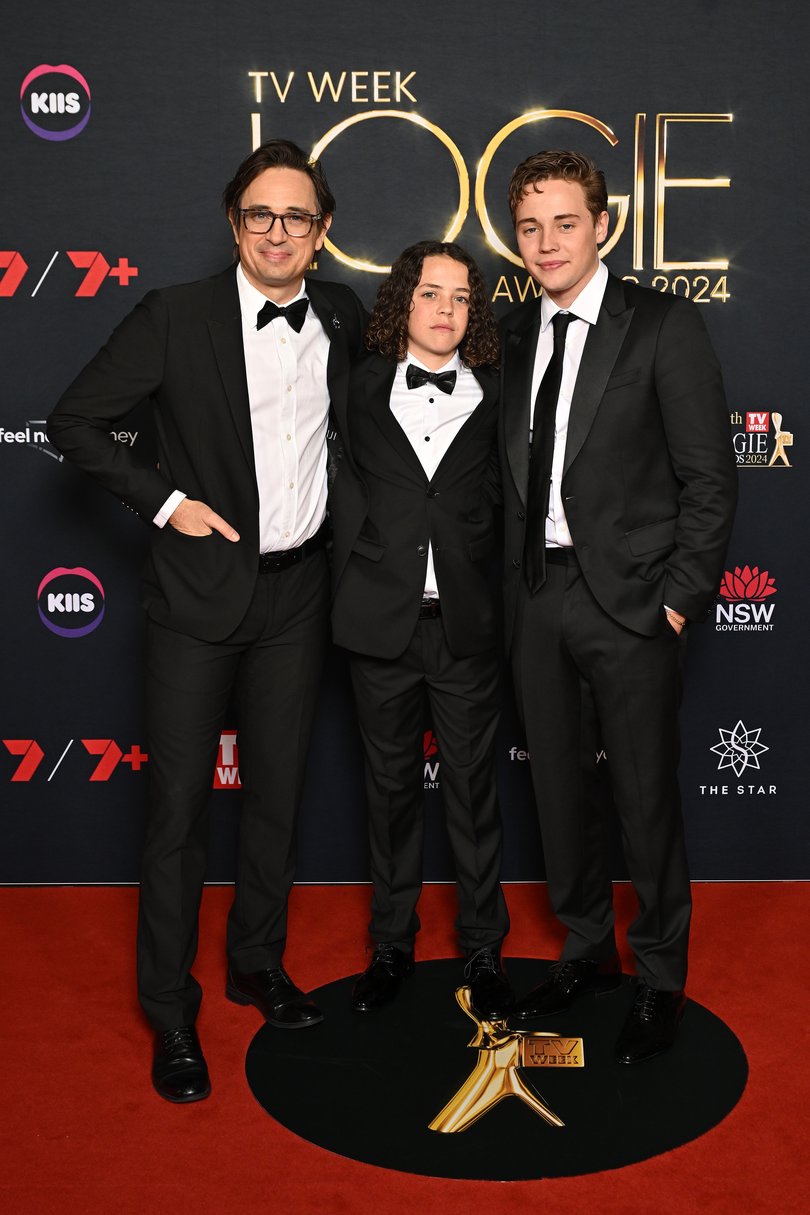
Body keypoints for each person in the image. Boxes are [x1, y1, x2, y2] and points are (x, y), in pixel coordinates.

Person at [48, 139, 366, 1102]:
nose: (279, 232)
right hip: (196, 596)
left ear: (322, 234)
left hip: (300, 595)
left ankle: (256, 964)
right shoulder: (173, 316)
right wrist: (164, 503)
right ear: (235, 224)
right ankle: (172, 1012)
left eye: (298, 218)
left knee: (276, 796)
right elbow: (75, 422)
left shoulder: (344, 317)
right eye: (261, 215)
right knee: (180, 814)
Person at [499, 151, 737, 1062]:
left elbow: (709, 482)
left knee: (644, 799)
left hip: (635, 605)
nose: (547, 242)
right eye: (529, 227)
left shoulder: (662, 326)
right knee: (559, 793)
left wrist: (677, 603)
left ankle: (660, 975)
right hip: (539, 596)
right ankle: (586, 946)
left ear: (603, 225)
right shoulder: (516, 332)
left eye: (564, 223)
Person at [330, 241, 513, 1019]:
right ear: (403, 302)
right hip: (381, 624)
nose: (446, 310)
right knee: (391, 790)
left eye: (462, 297)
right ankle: (392, 943)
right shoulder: (356, 388)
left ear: (475, 311)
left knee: (475, 793)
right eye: (431, 294)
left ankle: (482, 946)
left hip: (467, 624)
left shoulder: (502, 394)